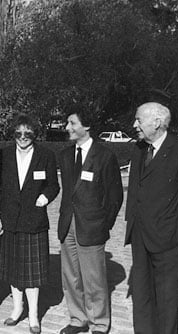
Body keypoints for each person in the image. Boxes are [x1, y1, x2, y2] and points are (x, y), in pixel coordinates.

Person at [125, 102, 178, 334]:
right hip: (140, 236)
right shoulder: (139, 149)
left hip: (169, 239)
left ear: (156, 122)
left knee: (167, 300)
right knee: (142, 297)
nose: (134, 124)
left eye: (139, 120)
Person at [57, 106, 123, 334]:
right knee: (70, 276)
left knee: (94, 280)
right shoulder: (65, 156)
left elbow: (115, 196)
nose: (67, 128)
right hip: (68, 225)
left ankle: (99, 323)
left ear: (86, 126)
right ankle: (78, 319)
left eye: (72, 123)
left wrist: (104, 224)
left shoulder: (104, 156)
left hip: (92, 226)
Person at [0, 113, 59, 334]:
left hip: (34, 220)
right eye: (19, 133)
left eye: (28, 133)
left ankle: (33, 315)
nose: (23, 137)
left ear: (34, 134)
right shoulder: (3, 155)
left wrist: (45, 198)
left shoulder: (46, 155)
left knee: (32, 273)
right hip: (10, 220)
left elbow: (53, 185)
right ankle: (16, 309)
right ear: (13, 134)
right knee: (13, 269)